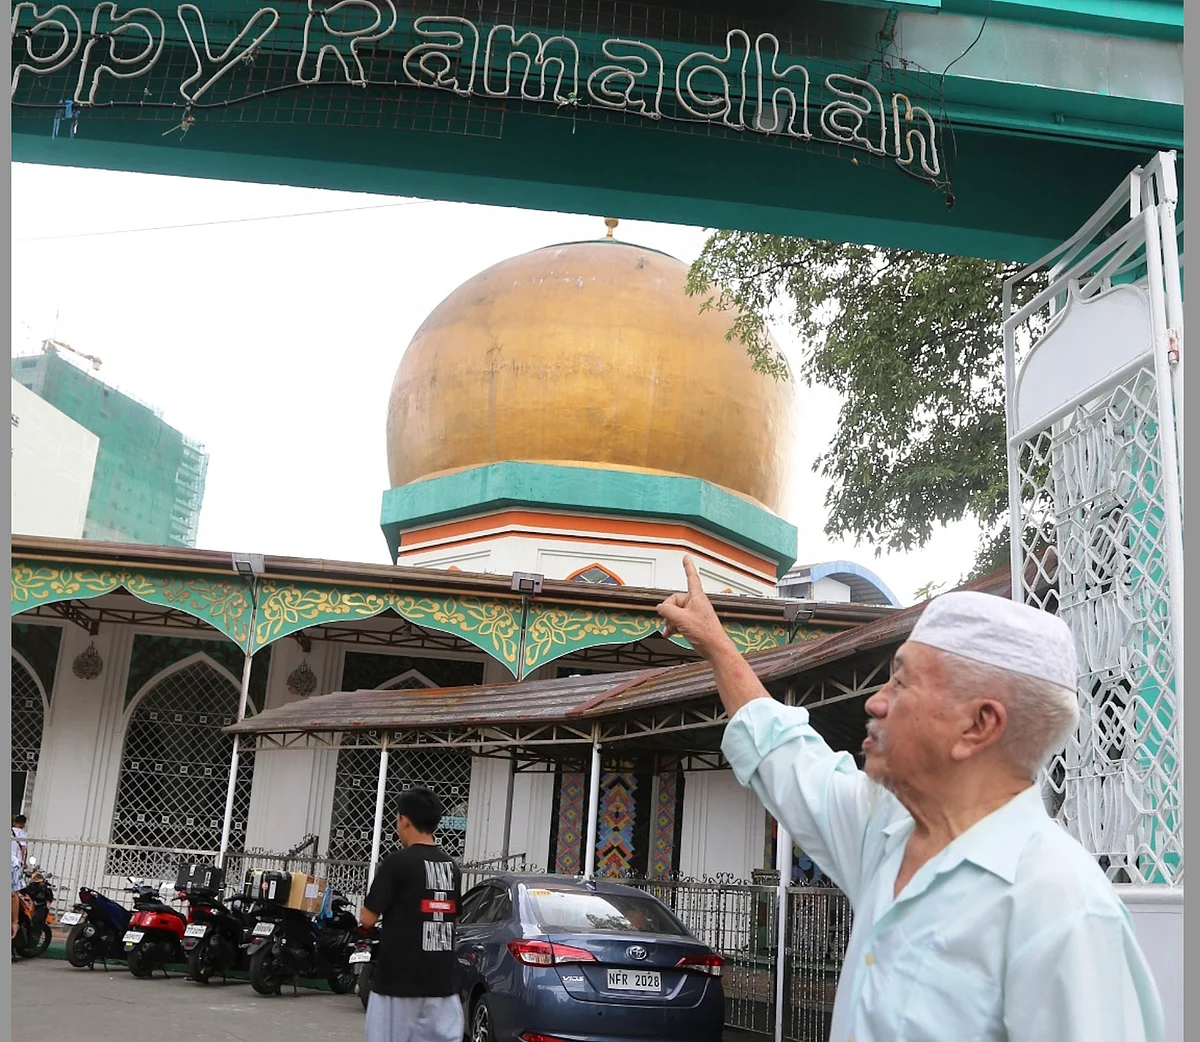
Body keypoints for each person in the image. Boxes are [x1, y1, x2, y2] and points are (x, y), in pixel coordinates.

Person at [657, 556, 1164, 1042]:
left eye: (901, 683)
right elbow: (784, 753)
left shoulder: (1061, 909)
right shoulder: (886, 832)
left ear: (978, 725)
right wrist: (716, 644)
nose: (875, 702)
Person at [360, 787, 463, 1042]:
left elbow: (367, 919)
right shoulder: (451, 867)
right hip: (441, 984)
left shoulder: (397, 863)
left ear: (404, 820)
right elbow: (455, 919)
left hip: (398, 985)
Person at [11, 814, 28, 941]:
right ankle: (15, 921)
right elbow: (24, 849)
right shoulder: (22, 833)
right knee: (15, 893)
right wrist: (24, 863)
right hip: (16, 864)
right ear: (23, 823)